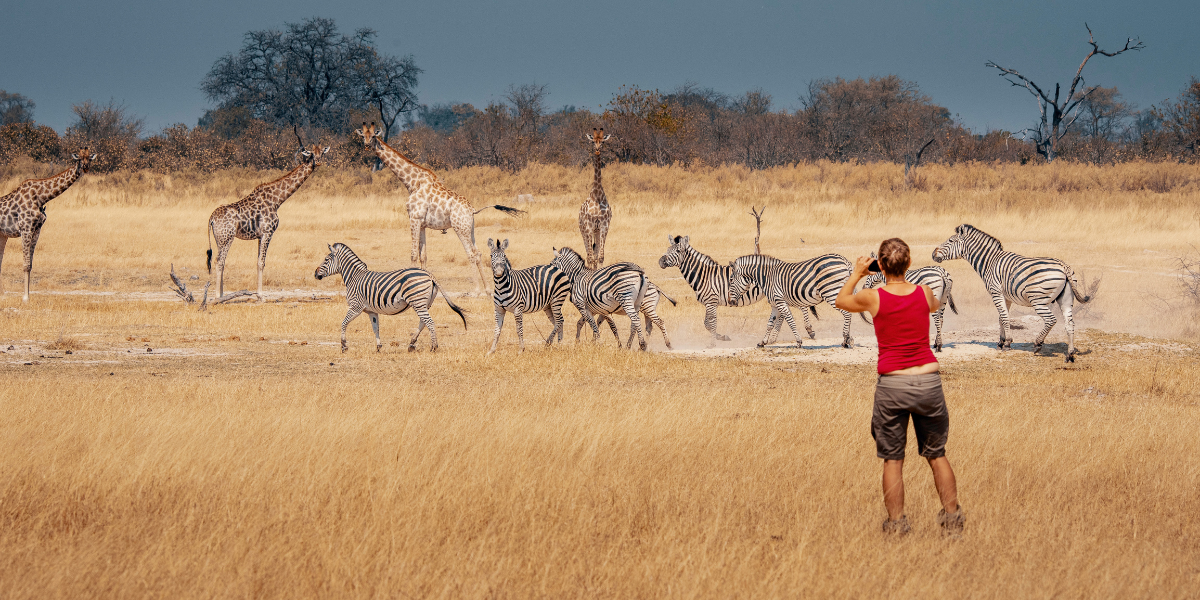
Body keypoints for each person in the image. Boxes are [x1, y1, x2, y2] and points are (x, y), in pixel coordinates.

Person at [835, 238, 964, 537]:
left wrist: (857, 273)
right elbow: (934, 305)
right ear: (908, 265)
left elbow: (841, 301)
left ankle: (896, 527)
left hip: (893, 383)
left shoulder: (873, 297)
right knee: (937, 454)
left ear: (880, 265)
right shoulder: (925, 292)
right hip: (929, 381)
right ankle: (953, 522)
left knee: (893, 459)